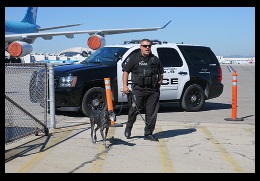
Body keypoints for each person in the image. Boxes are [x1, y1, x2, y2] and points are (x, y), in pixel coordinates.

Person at [122, 39, 164, 141]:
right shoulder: (134, 58)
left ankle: (148, 133)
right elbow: (126, 72)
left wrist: (160, 81)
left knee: (151, 113)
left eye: (149, 46)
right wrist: (125, 86)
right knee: (134, 109)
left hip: (153, 91)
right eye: (145, 46)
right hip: (139, 89)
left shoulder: (155, 59)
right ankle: (129, 126)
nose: (147, 48)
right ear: (140, 47)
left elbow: (161, 72)